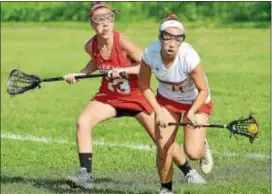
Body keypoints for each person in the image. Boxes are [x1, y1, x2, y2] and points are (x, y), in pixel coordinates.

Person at [63, 2, 208, 190]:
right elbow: (96, 60)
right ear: (92, 24)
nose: (105, 25)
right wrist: (81, 74)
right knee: (83, 121)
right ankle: (85, 174)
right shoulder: (90, 45)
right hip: (110, 97)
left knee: (162, 141)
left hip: (137, 97)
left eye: (109, 19)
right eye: (99, 21)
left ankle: (189, 171)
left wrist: (124, 70)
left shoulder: (123, 42)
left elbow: (147, 65)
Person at [139, 12, 213, 194]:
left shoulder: (190, 57)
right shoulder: (150, 53)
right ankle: (166, 189)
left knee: (193, 152)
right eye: (168, 38)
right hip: (166, 100)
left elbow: (203, 91)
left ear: (182, 40)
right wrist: (159, 111)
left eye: (178, 39)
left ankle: (203, 146)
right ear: (160, 37)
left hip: (196, 101)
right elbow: (143, 85)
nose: (172, 43)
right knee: (163, 147)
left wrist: (191, 113)